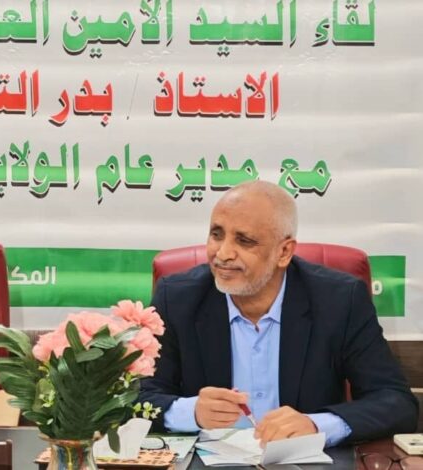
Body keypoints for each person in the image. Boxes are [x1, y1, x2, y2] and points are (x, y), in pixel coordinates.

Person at [140, 180, 418, 447]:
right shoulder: (177, 298)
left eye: (244, 241)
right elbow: (137, 397)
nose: (223, 253)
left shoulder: (340, 301)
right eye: (216, 234)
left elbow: (395, 402)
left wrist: (316, 425)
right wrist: (191, 412)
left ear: (284, 252)